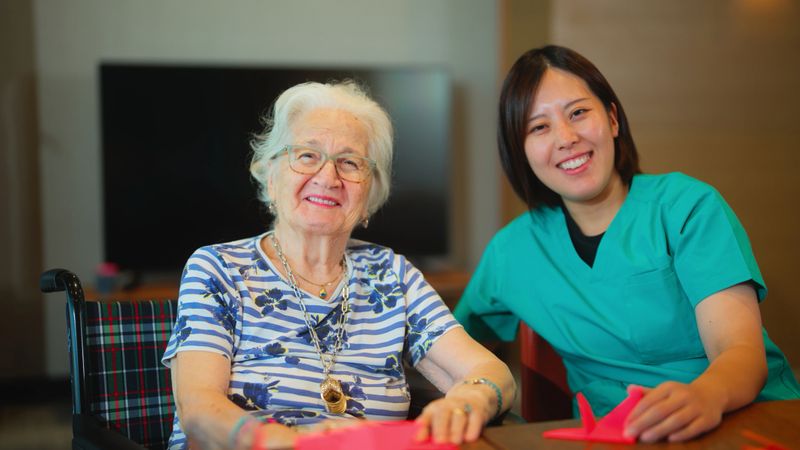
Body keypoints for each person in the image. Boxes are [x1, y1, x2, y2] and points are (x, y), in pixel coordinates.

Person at [454, 45, 800, 443]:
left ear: (613, 119)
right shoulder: (511, 252)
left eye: (578, 113)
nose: (566, 137)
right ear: (521, 153)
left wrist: (706, 395)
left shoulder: (687, 206)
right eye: (539, 127)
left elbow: (739, 350)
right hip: (616, 437)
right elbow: (449, 348)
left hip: (748, 419)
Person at [161, 80, 515, 450]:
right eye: (307, 155)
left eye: (349, 163)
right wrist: (283, 443)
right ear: (270, 172)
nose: (328, 178)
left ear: (369, 193)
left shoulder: (391, 274)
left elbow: (494, 374)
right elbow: (198, 407)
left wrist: (467, 401)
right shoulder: (219, 268)